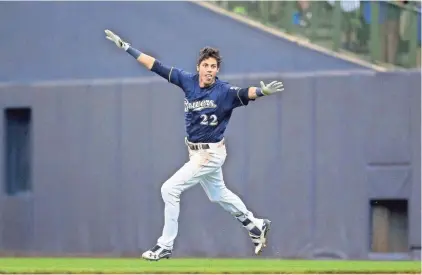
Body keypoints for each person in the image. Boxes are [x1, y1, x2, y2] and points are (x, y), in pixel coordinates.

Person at [104, 29, 284, 261]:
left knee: (169, 189)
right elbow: (156, 66)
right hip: (196, 153)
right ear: (198, 67)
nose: (209, 70)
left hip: (210, 154)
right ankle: (256, 225)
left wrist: (262, 91)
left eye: (213, 66)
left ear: (217, 70)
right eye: (206, 65)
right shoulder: (187, 80)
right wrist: (127, 47)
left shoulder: (223, 91)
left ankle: (165, 246)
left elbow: (244, 92)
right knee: (218, 195)